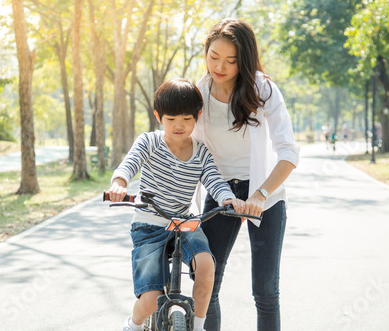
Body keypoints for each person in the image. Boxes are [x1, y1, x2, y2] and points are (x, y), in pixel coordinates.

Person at [107, 78, 246, 331]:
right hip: (149, 224)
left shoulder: (201, 152)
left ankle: (200, 326)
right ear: (158, 116)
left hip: (184, 222)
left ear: (198, 116)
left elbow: (214, 179)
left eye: (186, 119)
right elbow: (129, 164)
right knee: (150, 300)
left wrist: (227, 198)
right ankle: (133, 324)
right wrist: (120, 183)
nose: (179, 126)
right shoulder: (149, 142)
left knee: (206, 266)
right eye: (171, 119)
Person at [191, 19, 300, 330]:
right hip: (221, 193)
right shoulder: (198, 94)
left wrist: (260, 195)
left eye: (231, 60)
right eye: (213, 57)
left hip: (265, 195)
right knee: (206, 284)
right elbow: (188, 147)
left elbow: (288, 152)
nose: (219, 66)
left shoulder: (263, 89)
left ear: (245, 59)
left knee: (265, 292)